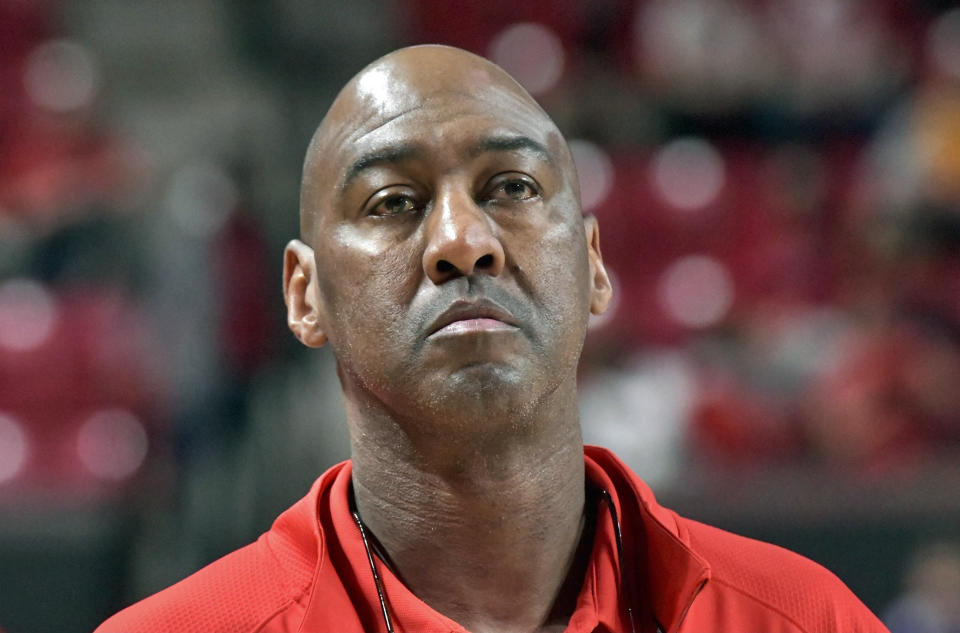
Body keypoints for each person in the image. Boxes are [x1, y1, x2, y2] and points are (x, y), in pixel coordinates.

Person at [96, 45, 887, 633]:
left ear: (592, 265)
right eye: (394, 202)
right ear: (306, 297)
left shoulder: (807, 618)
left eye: (511, 187)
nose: (463, 240)